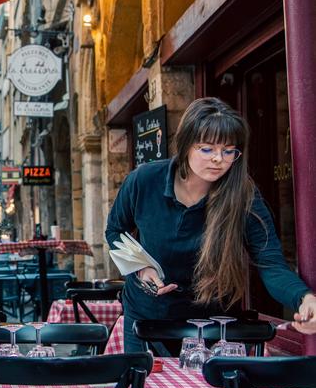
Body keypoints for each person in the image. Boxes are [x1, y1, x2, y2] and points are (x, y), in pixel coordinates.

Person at [105, 97, 316, 352]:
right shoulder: (144, 181)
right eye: (207, 149)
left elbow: (270, 262)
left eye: (229, 151)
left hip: (214, 323)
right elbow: (115, 230)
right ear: (185, 145)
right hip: (146, 318)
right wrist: (140, 268)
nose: (219, 159)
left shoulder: (243, 195)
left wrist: (304, 298)